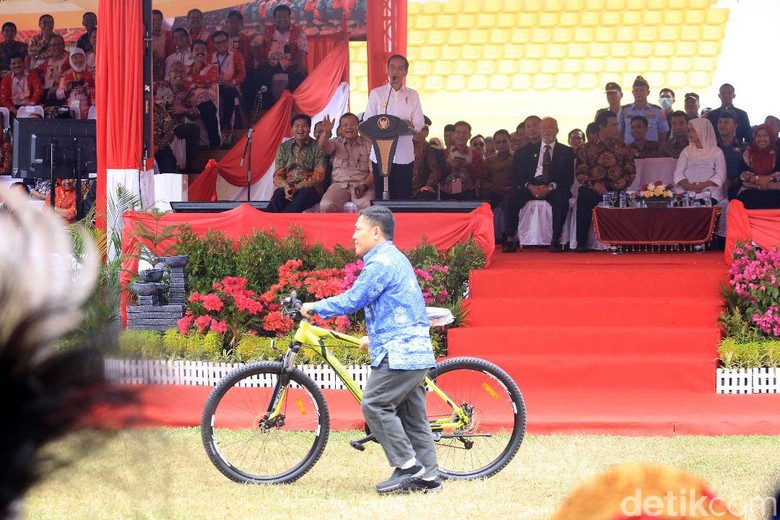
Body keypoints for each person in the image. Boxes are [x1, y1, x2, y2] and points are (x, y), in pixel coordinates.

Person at [300, 206, 440, 495]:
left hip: (400, 352)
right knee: (414, 418)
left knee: (374, 404)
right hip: (412, 350)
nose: (353, 236)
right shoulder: (393, 257)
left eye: (357, 229)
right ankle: (429, 478)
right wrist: (373, 339)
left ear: (376, 232)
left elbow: (354, 299)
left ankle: (409, 467)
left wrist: (314, 306)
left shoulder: (381, 262)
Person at [501, 117, 574, 253]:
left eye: (550, 127)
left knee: (562, 198)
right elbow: (517, 176)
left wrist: (550, 187)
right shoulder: (524, 151)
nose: (547, 131)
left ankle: (555, 239)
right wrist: (530, 187)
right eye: (544, 128)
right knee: (510, 199)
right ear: (540, 131)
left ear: (557, 130)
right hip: (530, 187)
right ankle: (511, 237)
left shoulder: (566, 152)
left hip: (553, 187)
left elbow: (568, 178)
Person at [364, 54, 424, 200]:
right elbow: (368, 120)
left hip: (404, 154)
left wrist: (407, 124)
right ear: (387, 70)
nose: (395, 71)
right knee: (381, 197)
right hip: (380, 154)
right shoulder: (377, 94)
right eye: (392, 67)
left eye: (399, 68)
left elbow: (419, 122)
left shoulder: (412, 95)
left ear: (405, 72)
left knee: (402, 197)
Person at [575, 110, 636, 252]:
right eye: (612, 125)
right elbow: (581, 172)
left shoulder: (623, 147)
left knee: (625, 203)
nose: (616, 128)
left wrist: (625, 181)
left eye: (617, 125)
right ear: (601, 127)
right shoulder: (586, 148)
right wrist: (593, 184)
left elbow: (631, 170)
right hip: (593, 188)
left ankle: (626, 242)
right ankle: (581, 242)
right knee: (584, 198)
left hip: (616, 187)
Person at [317, 112, 374, 212]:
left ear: (358, 126)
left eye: (352, 124)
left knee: (368, 206)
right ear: (341, 128)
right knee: (326, 205)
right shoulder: (336, 143)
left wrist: (364, 186)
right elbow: (323, 147)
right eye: (345, 125)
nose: (349, 127)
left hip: (362, 186)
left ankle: (362, 227)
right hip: (339, 186)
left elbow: (374, 172)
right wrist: (325, 132)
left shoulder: (369, 145)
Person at [268, 113, 325, 212]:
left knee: (298, 202)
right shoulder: (284, 147)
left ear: (309, 128)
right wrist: (285, 186)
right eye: (297, 126)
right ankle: (270, 223)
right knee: (277, 197)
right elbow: (277, 175)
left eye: (304, 126)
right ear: (292, 129)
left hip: (310, 188)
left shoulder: (317, 147)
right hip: (289, 186)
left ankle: (279, 223)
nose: (300, 129)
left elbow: (319, 176)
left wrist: (297, 187)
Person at [154, 61, 202, 173]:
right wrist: (159, 102)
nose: (178, 75)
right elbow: (146, 97)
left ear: (185, 75)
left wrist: (183, 109)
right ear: (169, 73)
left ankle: (189, 167)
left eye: (182, 72)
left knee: (193, 129)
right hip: (158, 127)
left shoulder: (187, 92)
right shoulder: (158, 86)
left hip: (176, 126)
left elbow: (196, 113)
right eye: (175, 71)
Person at [256, 4, 308, 103]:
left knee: (300, 79)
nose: (282, 19)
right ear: (275, 18)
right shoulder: (266, 31)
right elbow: (254, 44)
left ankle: (292, 108)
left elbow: (302, 50)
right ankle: (268, 111)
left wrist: (301, 66)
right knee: (258, 80)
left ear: (289, 17)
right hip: (270, 65)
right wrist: (259, 59)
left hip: (290, 65)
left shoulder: (299, 32)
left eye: (285, 17)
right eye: (279, 17)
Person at [673, 118, 726, 206]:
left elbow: (721, 174)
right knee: (680, 204)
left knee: (704, 204)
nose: (689, 133)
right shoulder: (686, 151)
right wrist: (688, 186)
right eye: (689, 130)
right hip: (687, 189)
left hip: (710, 190)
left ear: (703, 131)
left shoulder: (717, 152)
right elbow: (678, 172)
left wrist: (702, 186)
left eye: (693, 130)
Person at [210, 30, 246, 135]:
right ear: (214, 44)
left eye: (223, 41)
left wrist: (232, 81)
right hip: (214, 87)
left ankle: (226, 124)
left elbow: (242, 74)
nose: (221, 44)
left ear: (228, 41)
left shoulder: (236, 55)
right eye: (217, 42)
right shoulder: (210, 57)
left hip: (231, 86)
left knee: (229, 93)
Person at [736, 124, 780, 209]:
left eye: (765, 135)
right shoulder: (748, 153)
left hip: (773, 189)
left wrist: (768, 178)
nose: (761, 139)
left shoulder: (777, 154)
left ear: (770, 137)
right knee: (744, 199)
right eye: (758, 136)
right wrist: (755, 179)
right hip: (751, 188)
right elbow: (742, 173)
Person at [441, 120, 485, 200]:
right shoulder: (444, 153)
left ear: (469, 136)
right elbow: (437, 174)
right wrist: (449, 165)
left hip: (468, 194)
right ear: (453, 134)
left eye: (464, 133)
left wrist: (468, 165)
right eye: (458, 132)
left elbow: (482, 175)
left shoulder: (476, 154)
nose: (461, 136)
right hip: (446, 194)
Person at [619, 75, 668, 144]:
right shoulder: (624, 111)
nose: (639, 93)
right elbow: (620, 133)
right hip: (630, 151)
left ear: (648, 92)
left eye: (642, 90)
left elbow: (663, 135)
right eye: (636, 90)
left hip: (652, 152)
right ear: (632, 93)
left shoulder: (658, 111)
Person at [56, 48, 94, 119]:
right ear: (70, 59)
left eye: (81, 57)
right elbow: (58, 95)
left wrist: (86, 90)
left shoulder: (92, 72)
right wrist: (66, 90)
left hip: (88, 109)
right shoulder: (66, 74)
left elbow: (101, 91)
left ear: (85, 57)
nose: (78, 60)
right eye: (75, 57)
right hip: (70, 108)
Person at [716, 111, 746, 200]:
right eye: (720, 122)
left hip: (736, 188)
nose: (722, 125)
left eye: (726, 122)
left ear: (735, 126)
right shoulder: (712, 146)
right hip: (715, 187)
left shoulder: (743, 147)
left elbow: (746, 171)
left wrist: (733, 181)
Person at [481, 129, 514, 208]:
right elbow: (483, 181)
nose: (501, 145)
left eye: (504, 141)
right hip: (493, 196)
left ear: (509, 141)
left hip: (512, 195)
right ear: (494, 144)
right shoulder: (489, 161)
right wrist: (495, 188)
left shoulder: (517, 157)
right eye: (498, 142)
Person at [411, 115, 442, 200]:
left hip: (419, 189)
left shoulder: (428, 148)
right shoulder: (402, 146)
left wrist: (428, 185)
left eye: (423, 130)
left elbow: (435, 171)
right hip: (402, 187)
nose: (419, 132)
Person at [35, 34, 70, 105]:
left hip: (62, 92)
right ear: (49, 47)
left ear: (63, 45)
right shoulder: (46, 62)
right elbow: (34, 72)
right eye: (54, 44)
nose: (57, 47)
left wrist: (58, 87)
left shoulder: (70, 60)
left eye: (59, 44)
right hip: (46, 92)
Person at [152, 9, 175, 80]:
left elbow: (171, 55)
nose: (156, 22)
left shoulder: (168, 35)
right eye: (153, 19)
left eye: (158, 20)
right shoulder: (143, 34)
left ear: (161, 21)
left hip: (163, 70)